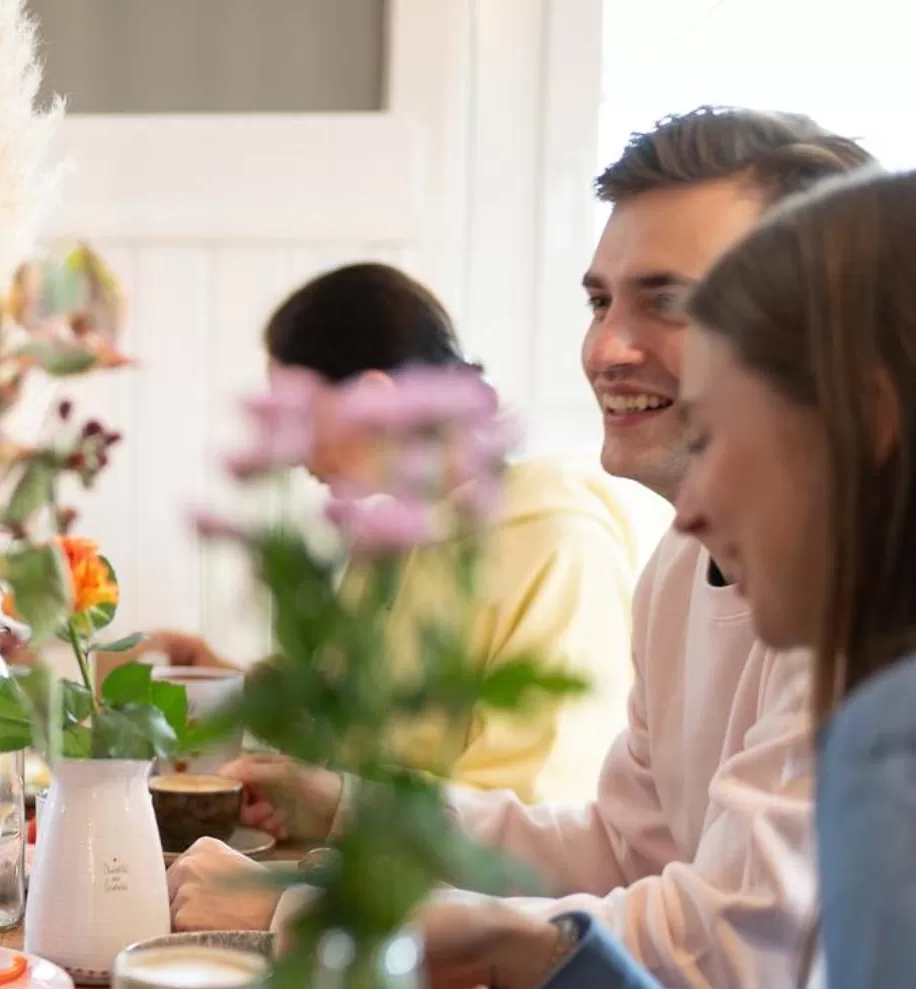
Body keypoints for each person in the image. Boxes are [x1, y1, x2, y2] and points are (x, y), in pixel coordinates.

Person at [171, 108, 872, 989]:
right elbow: (619, 850)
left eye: (667, 301)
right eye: (600, 303)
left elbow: (729, 963)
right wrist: (346, 804)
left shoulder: (869, 589)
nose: (606, 349)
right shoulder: (678, 562)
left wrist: (323, 922)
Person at [416, 163, 916, 989]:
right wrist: (528, 950)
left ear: (864, 418)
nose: (687, 512)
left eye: (719, 431)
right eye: (600, 299)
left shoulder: (885, 736)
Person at [147, 263, 639, 802]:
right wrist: (226, 685)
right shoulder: (397, 536)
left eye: (299, 418)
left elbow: (542, 807)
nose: (290, 452)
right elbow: (350, 731)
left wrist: (331, 804)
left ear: (374, 397)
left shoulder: (560, 543)